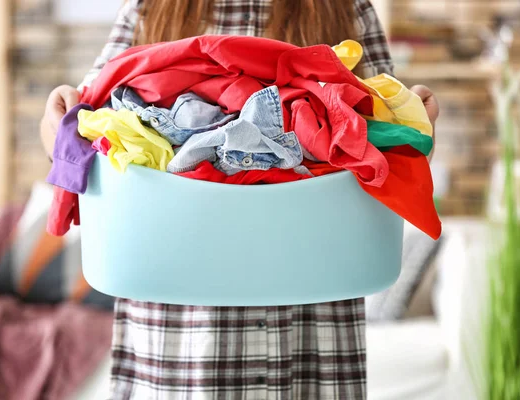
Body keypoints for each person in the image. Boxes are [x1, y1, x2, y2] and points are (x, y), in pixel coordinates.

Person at [40, 1, 440, 398]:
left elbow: (388, 141)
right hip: (178, 330)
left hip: (308, 322)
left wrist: (420, 124)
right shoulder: (149, 6)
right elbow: (86, 121)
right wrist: (56, 123)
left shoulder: (347, 6)